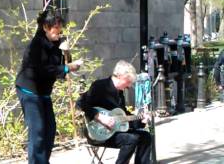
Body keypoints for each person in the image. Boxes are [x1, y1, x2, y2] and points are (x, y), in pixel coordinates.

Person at [15, 9, 82, 164]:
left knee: (50, 131)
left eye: (60, 29)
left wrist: (67, 52)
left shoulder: (57, 43)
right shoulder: (36, 46)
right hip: (30, 91)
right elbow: (44, 70)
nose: (59, 32)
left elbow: (60, 70)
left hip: (44, 93)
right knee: (37, 132)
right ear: (45, 27)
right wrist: (68, 68)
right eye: (56, 29)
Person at [78, 60, 152, 164]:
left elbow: (124, 118)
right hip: (96, 132)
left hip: (115, 131)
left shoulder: (120, 93)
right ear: (120, 76)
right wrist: (99, 117)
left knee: (145, 137)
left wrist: (141, 120)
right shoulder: (100, 86)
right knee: (131, 139)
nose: (129, 86)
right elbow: (81, 103)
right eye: (128, 81)